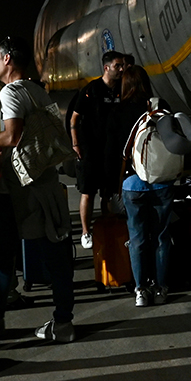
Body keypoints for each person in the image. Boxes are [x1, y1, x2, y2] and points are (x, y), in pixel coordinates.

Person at [0, 36, 77, 342]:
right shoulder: (37, 90)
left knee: (2, 255)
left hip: (23, 190)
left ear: (7, 60)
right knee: (57, 256)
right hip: (47, 182)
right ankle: (63, 320)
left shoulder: (12, 93)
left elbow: (12, 136)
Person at [119, 65, 191, 307]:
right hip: (163, 181)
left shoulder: (120, 111)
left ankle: (141, 290)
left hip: (133, 184)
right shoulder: (159, 108)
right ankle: (161, 287)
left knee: (137, 238)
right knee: (162, 236)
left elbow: (116, 150)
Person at [68, 50, 125, 248]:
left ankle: (108, 226)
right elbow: (74, 118)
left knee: (108, 193)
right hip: (90, 149)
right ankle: (86, 232)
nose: (121, 69)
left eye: (122, 65)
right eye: (118, 66)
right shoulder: (91, 89)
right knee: (88, 192)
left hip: (111, 150)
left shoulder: (121, 89)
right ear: (106, 68)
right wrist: (76, 143)